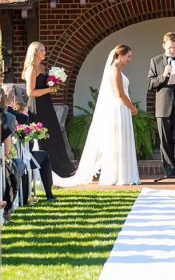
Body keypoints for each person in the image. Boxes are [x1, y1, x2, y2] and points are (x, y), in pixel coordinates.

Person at [54, 44, 140, 188]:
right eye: (128, 56)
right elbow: (120, 94)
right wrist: (132, 108)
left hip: (122, 109)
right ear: (119, 55)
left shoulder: (117, 70)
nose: (130, 59)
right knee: (117, 142)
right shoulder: (114, 70)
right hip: (119, 109)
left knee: (121, 141)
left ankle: (123, 174)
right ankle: (116, 175)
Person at [21, 41, 75, 178]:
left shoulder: (43, 67)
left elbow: (44, 88)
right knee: (44, 136)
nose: (44, 52)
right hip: (37, 106)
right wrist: (49, 89)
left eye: (44, 50)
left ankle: (64, 167)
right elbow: (30, 92)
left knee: (55, 133)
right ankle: (47, 168)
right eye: (42, 50)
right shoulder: (31, 69)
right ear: (35, 53)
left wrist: (54, 83)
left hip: (46, 104)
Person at [147, 31, 175, 179]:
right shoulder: (155, 61)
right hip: (163, 106)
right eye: (169, 48)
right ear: (163, 46)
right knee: (166, 140)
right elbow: (150, 84)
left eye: (174, 47)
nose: (172, 50)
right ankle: (170, 170)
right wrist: (163, 76)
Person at [5, 87, 56, 203]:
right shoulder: (19, 118)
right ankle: (49, 194)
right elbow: (28, 141)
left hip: (6, 157)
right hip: (20, 157)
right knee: (45, 156)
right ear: (13, 98)